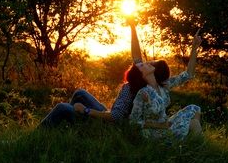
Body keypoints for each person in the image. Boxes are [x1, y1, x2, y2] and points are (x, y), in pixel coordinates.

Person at [39, 21, 167, 128]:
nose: (143, 62)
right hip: (111, 115)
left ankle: (42, 131)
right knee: (80, 93)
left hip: (109, 125)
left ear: (147, 73)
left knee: (62, 107)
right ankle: (73, 123)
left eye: (149, 64)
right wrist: (133, 27)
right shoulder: (146, 81)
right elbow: (136, 55)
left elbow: (116, 117)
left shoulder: (131, 89)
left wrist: (86, 110)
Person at [129, 29, 203, 140]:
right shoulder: (143, 93)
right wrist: (158, 125)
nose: (146, 63)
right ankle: (197, 147)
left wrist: (194, 47)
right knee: (193, 124)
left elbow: (188, 74)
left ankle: (188, 140)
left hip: (165, 125)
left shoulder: (163, 85)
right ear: (142, 75)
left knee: (195, 109)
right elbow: (133, 122)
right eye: (142, 66)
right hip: (154, 133)